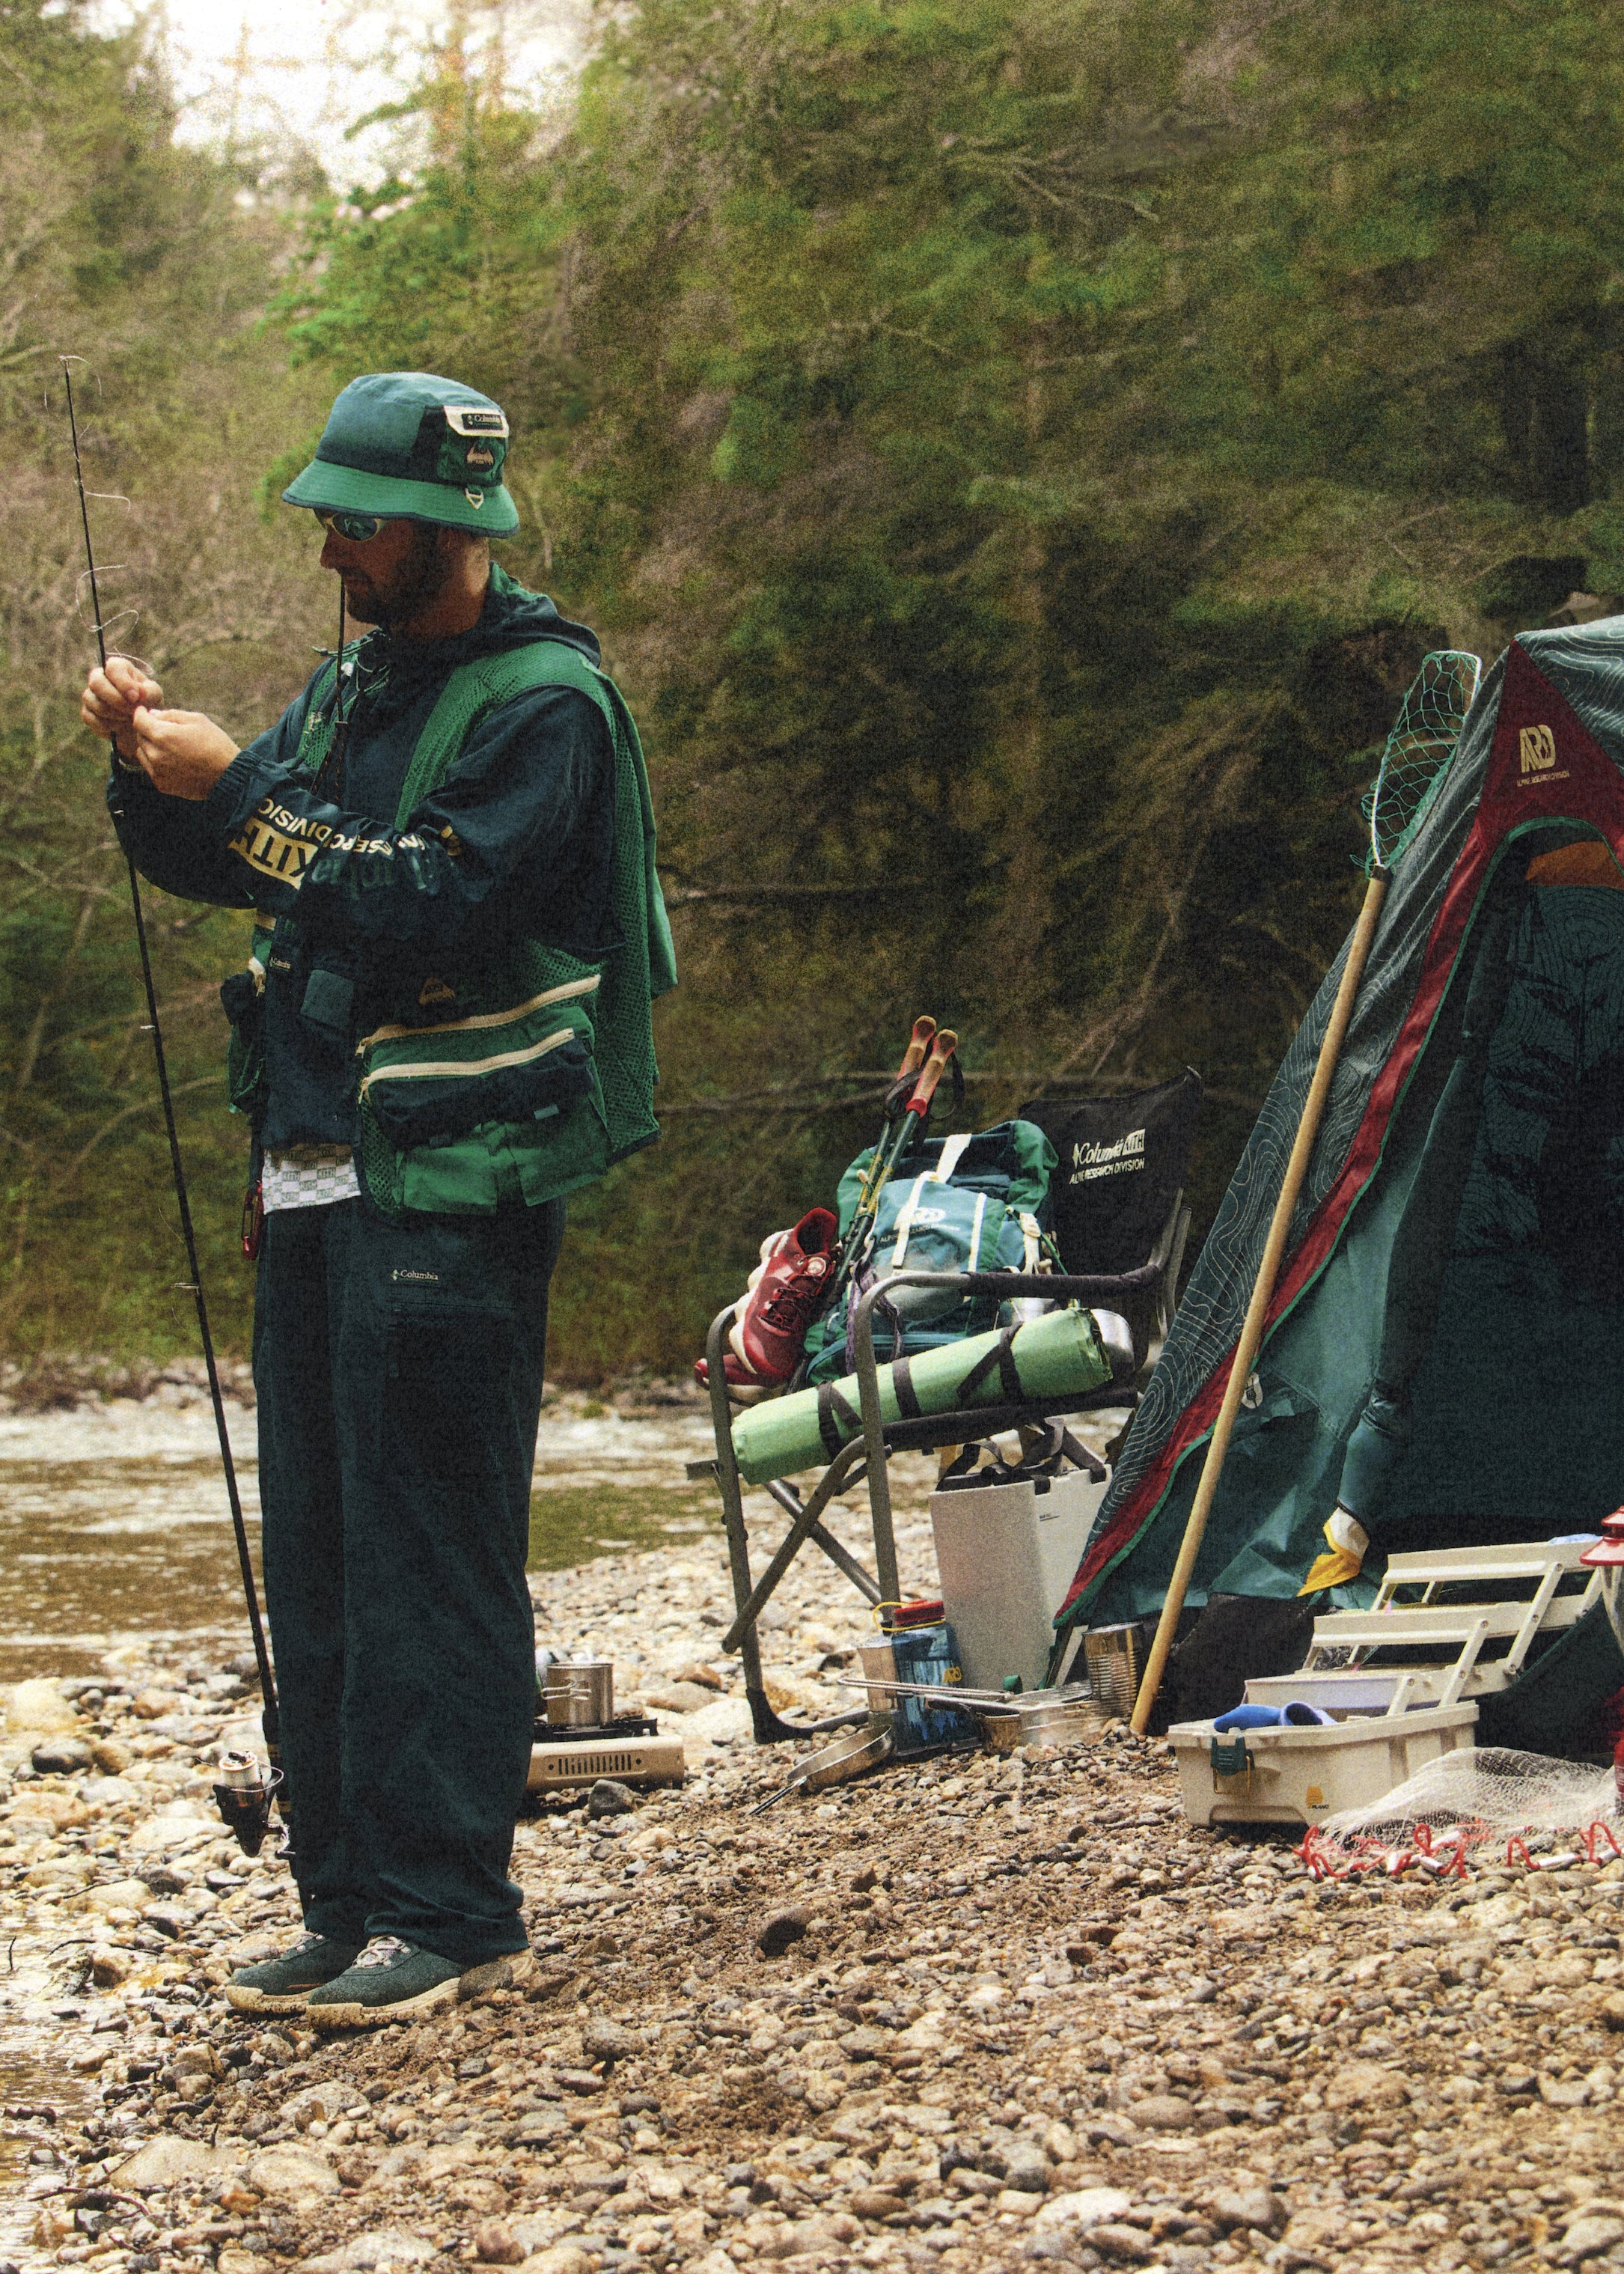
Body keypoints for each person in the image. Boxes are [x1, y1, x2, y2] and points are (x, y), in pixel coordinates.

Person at [82, 371, 676, 2028]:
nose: (330, 539)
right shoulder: (355, 680)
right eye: (328, 512)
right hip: (315, 1161)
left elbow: (436, 906)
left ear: (446, 527)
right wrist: (153, 773)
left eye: (355, 515)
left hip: (456, 1176)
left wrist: (246, 796)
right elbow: (227, 857)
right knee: (327, 1548)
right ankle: (345, 1903)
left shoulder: (545, 705)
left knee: (433, 1541)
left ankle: (452, 1908)